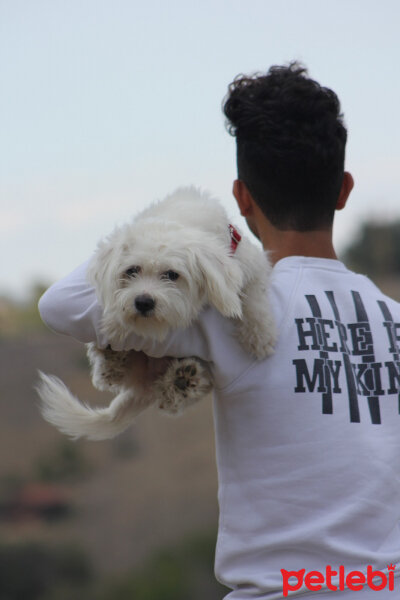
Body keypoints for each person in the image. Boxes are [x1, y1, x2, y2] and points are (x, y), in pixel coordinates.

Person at [39, 62, 400, 598]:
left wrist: (175, 221)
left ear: (241, 197)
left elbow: (60, 304)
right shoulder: (393, 322)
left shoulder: (224, 310)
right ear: (344, 189)